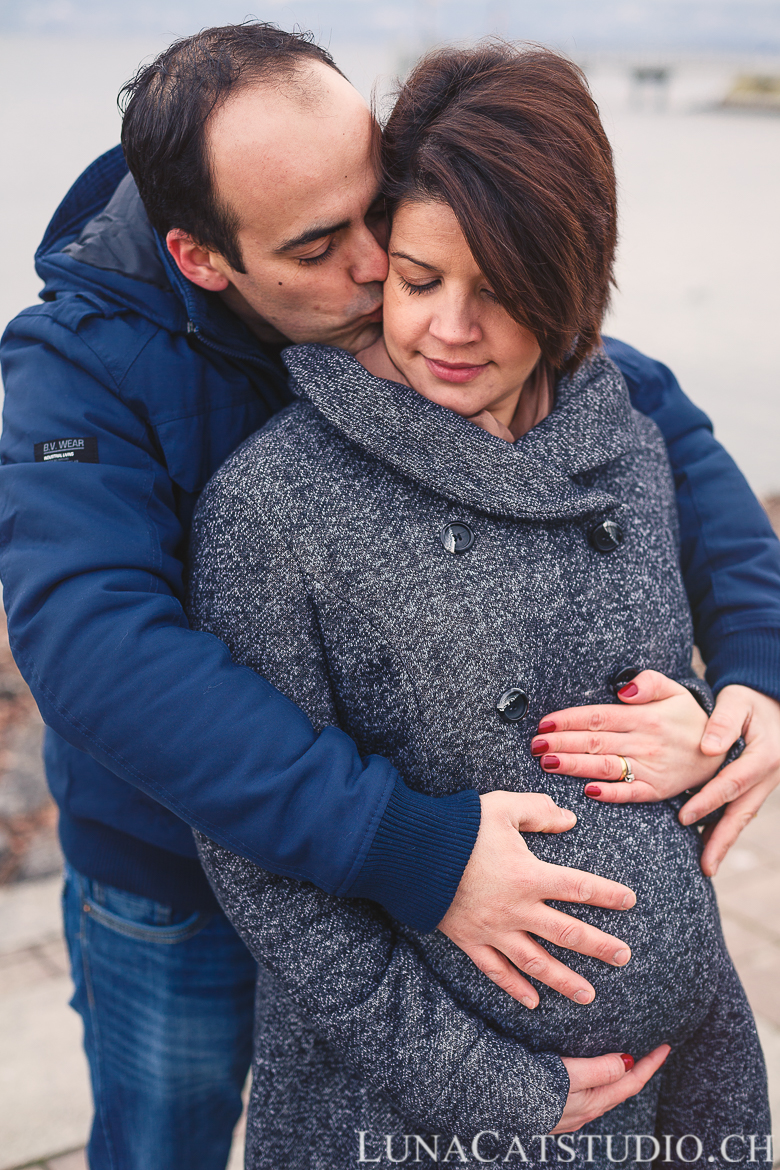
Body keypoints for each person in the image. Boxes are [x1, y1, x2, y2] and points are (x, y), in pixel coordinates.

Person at [0, 20, 777, 1170]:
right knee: (164, 1136)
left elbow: (643, 412)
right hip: (180, 881)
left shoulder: (407, 280)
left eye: (380, 209)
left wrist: (751, 669)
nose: (377, 266)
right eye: (324, 246)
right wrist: (407, 845)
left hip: (439, 866)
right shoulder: (79, 369)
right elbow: (93, 643)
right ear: (202, 257)